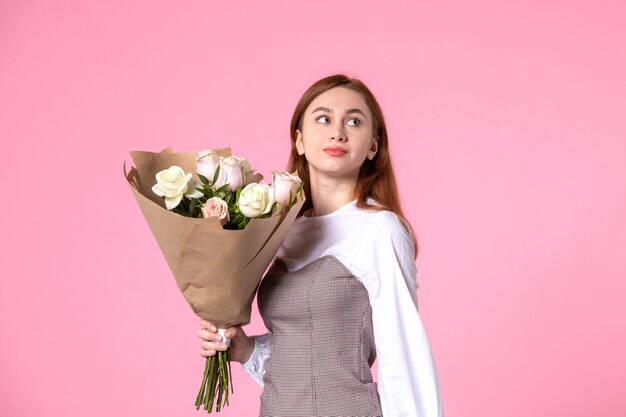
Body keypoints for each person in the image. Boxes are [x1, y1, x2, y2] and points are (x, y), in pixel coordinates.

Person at [196, 74, 444, 417]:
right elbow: (306, 351)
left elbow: (404, 354)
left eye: (354, 122)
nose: (337, 132)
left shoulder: (379, 229)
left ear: (373, 145)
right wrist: (246, 348)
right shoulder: (281, 228)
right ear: (299, 140)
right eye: (323, 118)